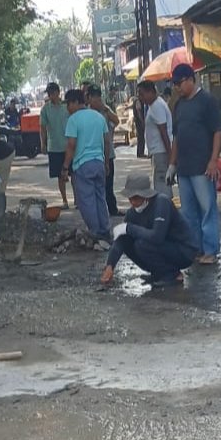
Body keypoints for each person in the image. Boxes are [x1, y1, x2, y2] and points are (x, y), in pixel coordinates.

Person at [168, 62, 221, 265]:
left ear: (191, 79)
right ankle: (196, 248)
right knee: (189, 213)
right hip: (184, 168)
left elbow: (217, 131)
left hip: (202, 167)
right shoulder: (179, 105)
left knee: (207, 209)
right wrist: (172, 164)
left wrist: (213, 160)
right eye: (174, 84)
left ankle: (210, 249)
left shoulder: (207, 101)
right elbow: (176, 137)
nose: (177, 87)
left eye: (179, 83)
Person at [100, 173, 197, 288]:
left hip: (183, 250)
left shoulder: (162, 202)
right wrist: (110, 266)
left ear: (146, 195)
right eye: (130, 198)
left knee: (142, 244)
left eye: (136, 198)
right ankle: (158, 272)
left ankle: (171, 275)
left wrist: (129, 228)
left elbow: (157, 237)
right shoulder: (132, 213)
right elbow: (121, 240)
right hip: (164, 249)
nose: (132, 202)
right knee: (129, 242)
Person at [61, 88, 111, 243]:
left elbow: (71, 145)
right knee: (100, 198)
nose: (68, 108)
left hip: (82, 164)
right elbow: (107, 141)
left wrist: (65, 167)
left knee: (87, 200)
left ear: (76, 102)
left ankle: (95, 232)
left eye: (68, 104)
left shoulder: (73, 120)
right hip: (99, 163)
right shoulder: (98, 117)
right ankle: (105, 230)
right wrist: (106, 162)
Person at [87, 85, 120, 216]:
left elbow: (116, 121)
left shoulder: (105, 110)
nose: (97, 99)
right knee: (95, 186)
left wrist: (106, 110)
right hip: (93, 154)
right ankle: (97, 211)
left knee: (108, 184)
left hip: (108, 154)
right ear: (88, 98)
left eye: (98, 96)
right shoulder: (86, 113)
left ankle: (112, 209)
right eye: (94, 97)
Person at [137, 79, 173, 195]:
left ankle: (163, 208)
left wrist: (170, 154)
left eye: (142, 94)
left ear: (151, 92)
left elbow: (163, 131)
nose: (141, 98)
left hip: (161, 151)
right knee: (161, 181)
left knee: (161, 183)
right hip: (158, 151)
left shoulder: (157, 106)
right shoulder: (154, 106)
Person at [39, 82, 70, 209]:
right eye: (49, 94)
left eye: (53, 93)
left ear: (58, 92)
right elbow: (42, 128)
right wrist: (43, 143)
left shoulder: (66, 107)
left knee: (73, 174)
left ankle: (78, 200)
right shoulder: (45, 109)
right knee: (59, 175)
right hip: (54, 146)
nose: (51, 96)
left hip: (69, 145)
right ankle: (65, 200)